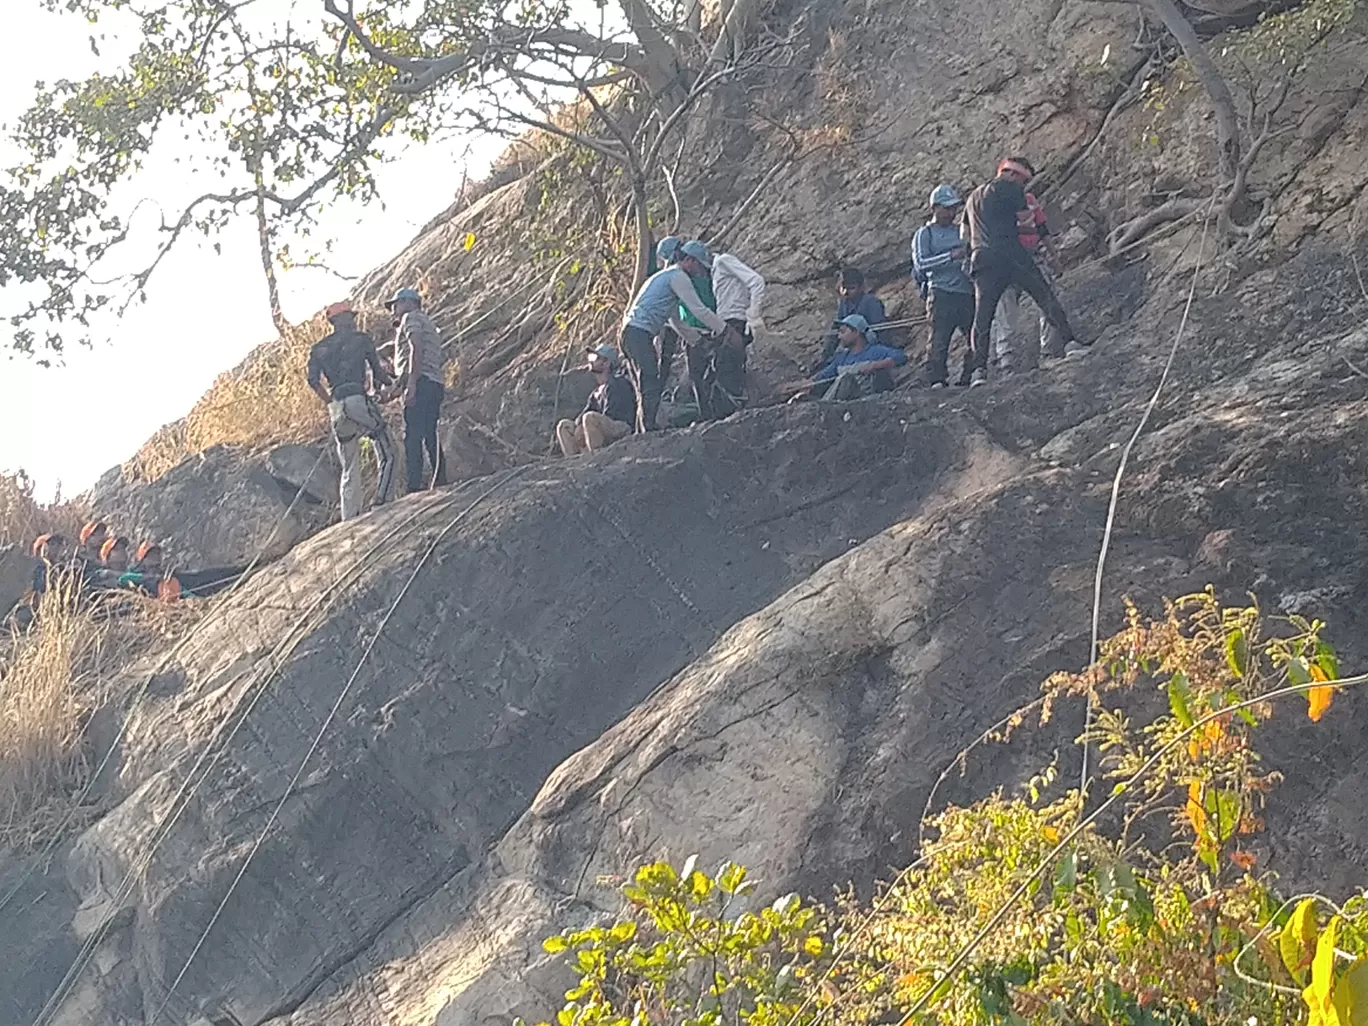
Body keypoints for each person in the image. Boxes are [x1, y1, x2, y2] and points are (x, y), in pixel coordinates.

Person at [963, 157, 1081, 387]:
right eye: (1024, 180)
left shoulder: (972, 197)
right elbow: (1026, 222)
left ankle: (979, 371)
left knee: (983, 317)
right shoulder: (1009, 188)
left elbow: (964, 236)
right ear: (1013, 175)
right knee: (1044, 296)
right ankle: (1070, 343)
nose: (1024, 186)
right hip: (1010, 252)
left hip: (981, 259)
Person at [620, 245, 738, 431]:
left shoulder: (665, 278)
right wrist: (725, 330)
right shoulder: (679, 277)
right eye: (699, 266)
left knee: (643, 386)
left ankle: (642, 430)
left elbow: (675, 320)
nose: (700, 271)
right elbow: (698, 309)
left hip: (629, 332)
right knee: (649, 381)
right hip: (639, 332)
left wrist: (697, 341)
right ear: (689, 260)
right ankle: (648, 432)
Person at [307, 300, 398, 521]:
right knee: (389, 449)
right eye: (351, 318)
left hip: (337, 406)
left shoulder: (319, 349)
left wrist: (330, 402)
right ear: (346, 320)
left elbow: (313, 381)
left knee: (349, 464)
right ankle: (382, 501)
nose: (353, 322)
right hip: (358, 398)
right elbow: (379, 376)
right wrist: (395, 382)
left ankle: (350, 518)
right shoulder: (361, 340)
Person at [991, 184, 1064, 373]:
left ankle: (1048, 351)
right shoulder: (995, 202)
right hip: (1006, 260)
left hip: (1032, 258)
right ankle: (1005, 357)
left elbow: (1042, 230)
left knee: (1047, 299)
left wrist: (1053, 258)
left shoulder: (1031, 201)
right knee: (1006, 307)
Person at [386, 286, 450, 493]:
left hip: (420, 381)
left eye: (395, 305)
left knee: (412, 435)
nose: (393, 310)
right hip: (434, 382)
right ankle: (440, 478)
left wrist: (411, 384)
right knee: (430, 431)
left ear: (407, 302)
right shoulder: (428, 323)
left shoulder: (410, 318)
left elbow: (416, 347)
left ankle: (414, 486)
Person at [912, 184, 975, 388]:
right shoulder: (925, 234)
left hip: (966, 291)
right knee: (939, 339)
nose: (951, 212)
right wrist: (950, 256)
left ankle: (969, 374)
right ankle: (937, 379)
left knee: (975, 335)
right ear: (934, 208)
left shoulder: (961, 231)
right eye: (946, 208)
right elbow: (921, 263)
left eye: (953, 208)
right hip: (940, 292)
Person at [779, 314, 908, 401]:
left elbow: (901, 356)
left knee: (846, 379)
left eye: (843, 332)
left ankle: (824, 406)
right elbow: (822, 377)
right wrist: (797, 385)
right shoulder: (841, 358)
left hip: (865, 398)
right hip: (844, 400)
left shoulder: (875, 351)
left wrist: (875, 365)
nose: (839, 337)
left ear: (856, 332)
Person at [555, 345, 636, 457]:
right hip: (601, 426)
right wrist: (579, 426)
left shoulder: (618, 383)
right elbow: (584, 414)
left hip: (620, 427)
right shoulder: (596, 393)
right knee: (564, 426)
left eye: (596, 358)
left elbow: (613, 414)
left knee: (590, 418)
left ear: (606, 363)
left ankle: (597, 456)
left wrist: (586, 426)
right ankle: (574, 459)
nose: (591, 361)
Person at [817, 268, 887, 367]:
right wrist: (824, 356)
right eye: (845, 289)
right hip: (849, 350)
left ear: (861, 287)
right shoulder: (844, 303)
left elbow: (881, 331)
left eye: (852, 288)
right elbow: (836, 330)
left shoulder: (871, 302)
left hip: (868, 348)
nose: (847, 293)